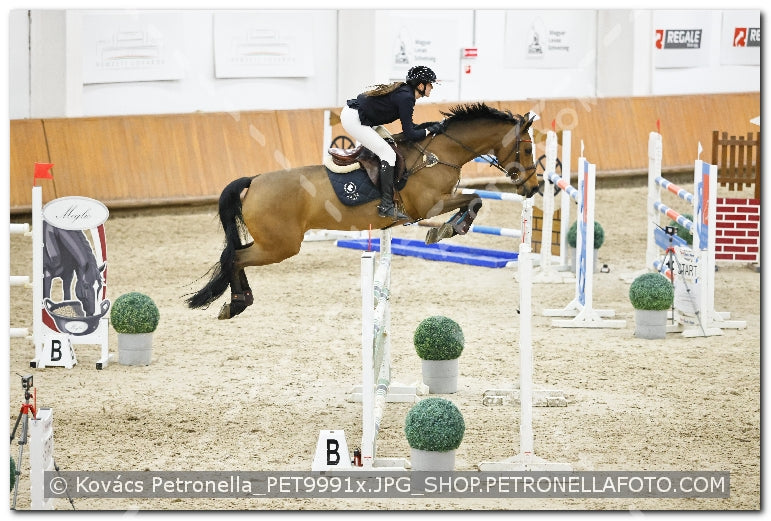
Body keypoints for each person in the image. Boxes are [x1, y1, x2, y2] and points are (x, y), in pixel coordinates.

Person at [341, 65, 445, 220]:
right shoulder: (407, 97)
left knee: (391, 146)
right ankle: (386, 205)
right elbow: (410, 133)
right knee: (388, 154)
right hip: (355, 119)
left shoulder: (407, 94)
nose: (432, 87)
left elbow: (409, 127)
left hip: (360, 117)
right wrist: (430, 130)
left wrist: (430, 127)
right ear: (421, 85)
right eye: (430, 84)